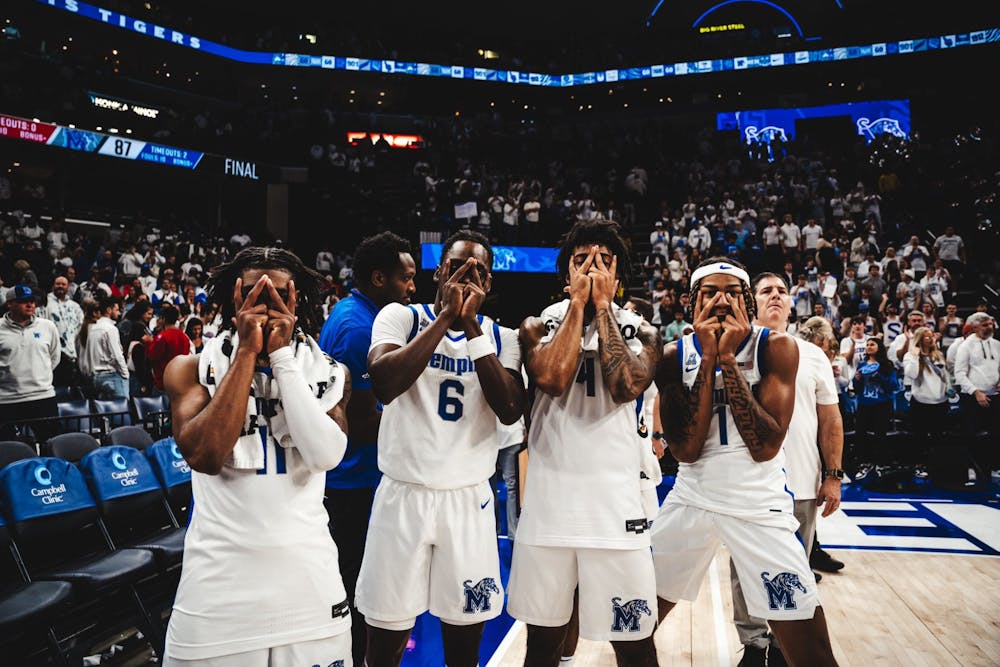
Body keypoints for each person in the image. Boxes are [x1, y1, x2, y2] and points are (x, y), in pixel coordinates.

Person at [162, 246, 354, 666]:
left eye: (279, 295)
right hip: (218, 593)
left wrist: (283, 359)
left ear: (297, 300)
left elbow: (325, 454)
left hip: (309, 586)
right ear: (235, 297)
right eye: (253, 293)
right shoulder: (188, 368)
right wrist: (247, 352)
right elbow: (206, 454)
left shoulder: (331, 373)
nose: (267, 306)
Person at [650, 258, 837, 666]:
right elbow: (685, 450)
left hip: (758, 504)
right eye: (710, 292)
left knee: (811, 650)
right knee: (633, 621)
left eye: (733, 292)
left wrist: (730, 360)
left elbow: (765, 446)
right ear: (689, 301)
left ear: (748, 301)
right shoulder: (670, 355)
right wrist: (708, 359)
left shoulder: (777, 348)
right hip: (692, 496)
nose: (721, 300)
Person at [356, 230, 525, 667]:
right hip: (402, 496)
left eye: (480, 272)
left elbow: (509, 408)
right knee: (384, 642)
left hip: (467, 500)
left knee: (464, 647)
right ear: (439, 272)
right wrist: (446, 318)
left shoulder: (501, 336)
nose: (468, 278)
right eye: (458, 267)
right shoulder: (400, 317)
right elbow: (385, 383)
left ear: (489, 285)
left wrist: (468, 325)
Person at [509, 218, 662, 667]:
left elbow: (624, 385)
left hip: (616, 510)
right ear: (565, 275)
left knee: (636, 645)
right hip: (549, 508)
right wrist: (580, 303)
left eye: (604, 263)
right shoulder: (536, 327)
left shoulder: (644, 331)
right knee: (542, 646)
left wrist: (603, 308)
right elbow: (553, 379)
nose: (592, 271)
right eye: (581, 262)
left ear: (618, 278)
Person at [731, 277, 845, 666]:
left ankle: (781, 648)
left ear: (791, 303)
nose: (776, 295)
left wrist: (833, 474)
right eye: (766, 291)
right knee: (744, 569)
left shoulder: (812, 354)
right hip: (747, 481)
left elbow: (830, 420)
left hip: (801, 480)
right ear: (751, 302)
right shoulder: (734, 348)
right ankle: (754, 644)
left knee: (797, 569)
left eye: (782, 290)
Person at [317, 231, 417, 667]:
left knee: (363, 588)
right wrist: (416, 421)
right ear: (379, 278)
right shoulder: (358, 328)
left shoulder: (360, 313)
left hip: (357, 480)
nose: (413, 288)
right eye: (405, 278)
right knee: (359, 590)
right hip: (352, 484)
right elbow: (356, 423)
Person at [0, 285, 61, 441]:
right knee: (10, 451)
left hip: (43, 397)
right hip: (8, 400)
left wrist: (39, 375)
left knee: (51, 445)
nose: (30, 305)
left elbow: (54, 358)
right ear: (10, 304)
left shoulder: (47, 326)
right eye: (23, 301)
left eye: (32, 301)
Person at [952, 313, 1000, 479]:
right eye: (985, 325)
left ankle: (994, 466)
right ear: (975, 327)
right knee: (971, 433)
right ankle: (971, 468)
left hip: (995, 395)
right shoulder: (966, 346)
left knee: (996, 433)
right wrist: (976, 392)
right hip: (973, 397)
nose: (989, 327)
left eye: (990, 324)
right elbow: (959, 373)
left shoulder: (997, 344)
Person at [852, 337, 898, 472]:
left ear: (879, 347)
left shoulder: (887, 365)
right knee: (861, 434)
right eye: (867, 345)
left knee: (880, 434)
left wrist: (878, 376)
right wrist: (857, 380)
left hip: (881, 404)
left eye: (872, 344)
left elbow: (893, 385)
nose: (869, 347)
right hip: (864, 404)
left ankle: (881, 463)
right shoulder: (861, 365)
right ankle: (864, 462)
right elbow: (857, 388)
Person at [77, 293, 130, 399]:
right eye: (117, 310)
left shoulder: (92, 328)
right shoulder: (110, 328)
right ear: (109, 310)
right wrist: (125, 375)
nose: (119, 313)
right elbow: (117, 355)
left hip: (95, 378)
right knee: (121, 412)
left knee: (104, 413)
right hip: (111, 376)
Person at [38, 275, 85, 387]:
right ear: (53, 286)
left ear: (68, 287)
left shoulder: (75, 306)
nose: (60, 286)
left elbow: (81, 326)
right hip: (52, 355)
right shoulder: (45, 304)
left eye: (63, 284)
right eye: (58, 284)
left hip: (71, 354)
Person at [148, 305, 191, 393]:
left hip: (163, 383)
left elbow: (152, 356)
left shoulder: (162, 337)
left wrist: (149, 342)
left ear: (163, 319)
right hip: (178, 382)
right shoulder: (185, 338)